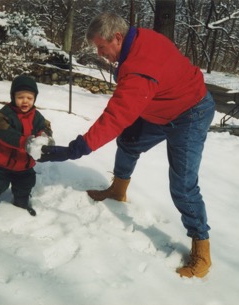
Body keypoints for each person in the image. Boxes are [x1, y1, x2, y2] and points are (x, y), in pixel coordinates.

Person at [38, 12, 215, 278]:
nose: (99, 53)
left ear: (117, 37)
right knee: (129, 141)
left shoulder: (139, 68)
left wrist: (76, 149)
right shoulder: (140, 39)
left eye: (101, 46)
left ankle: (202, 249)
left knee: (183, 185)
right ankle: (118, 191)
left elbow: (117, 116)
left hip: (191, 112)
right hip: (161, 108)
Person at [0, 75, 53, 220]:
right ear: (13, 96)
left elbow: (44, 127)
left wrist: (45, 137)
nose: (25, 101)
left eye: (29, 97)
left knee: (25, 184)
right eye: (21, 97)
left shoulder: (37, 116)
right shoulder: (4, 114)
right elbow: (2, 132)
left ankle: (21, 203)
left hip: (23, 163)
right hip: (0, 161)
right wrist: (25, 142)